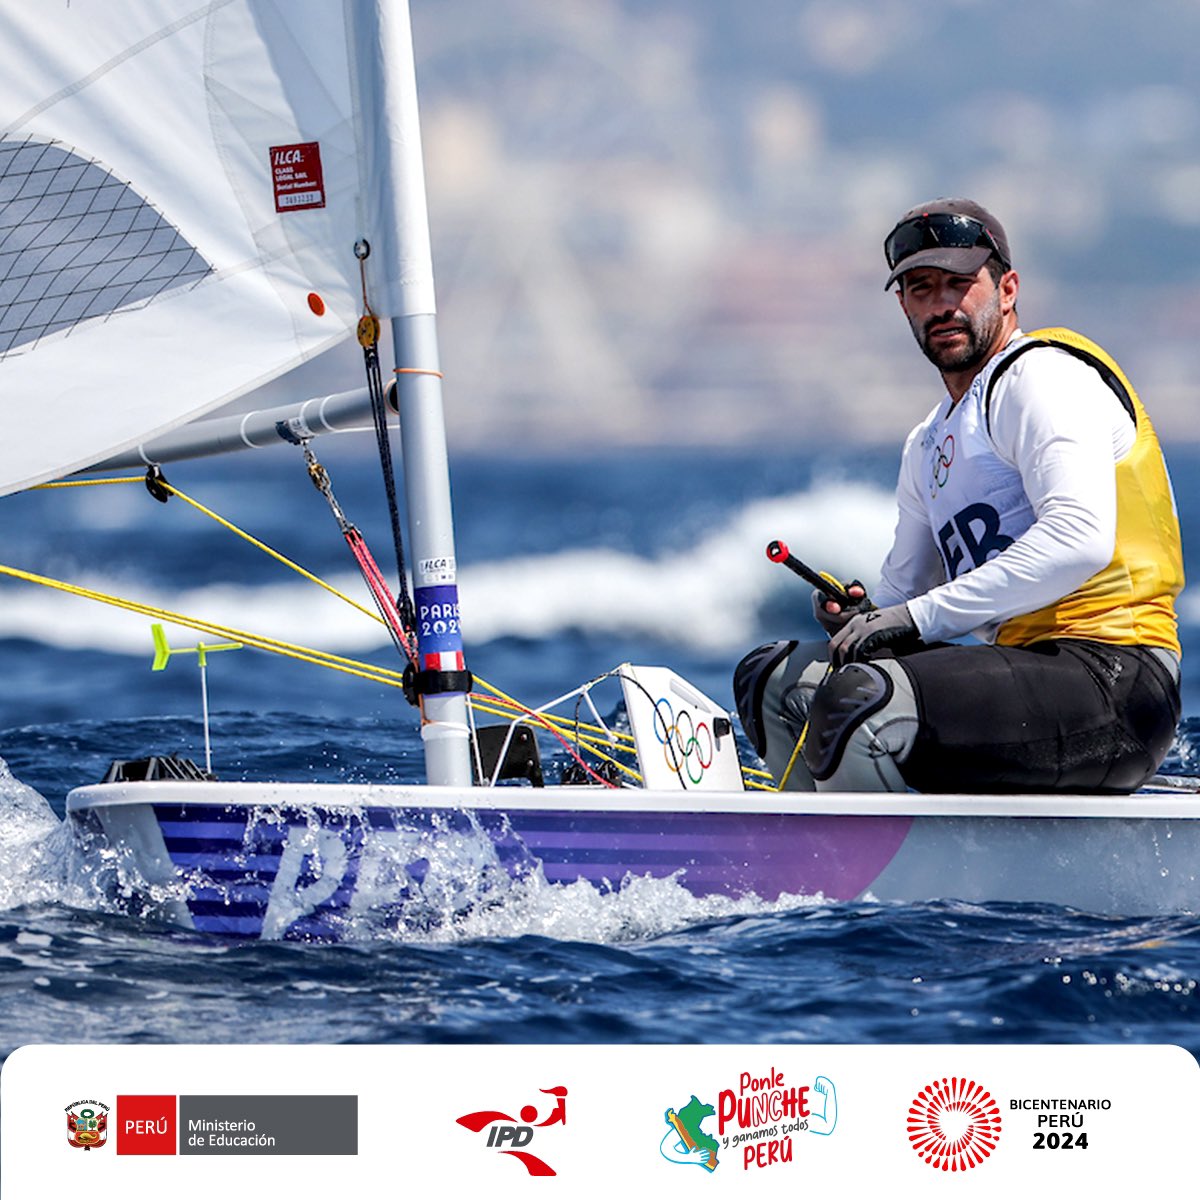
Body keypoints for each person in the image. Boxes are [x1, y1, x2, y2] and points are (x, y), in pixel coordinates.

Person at [734, 198, 1184, 793]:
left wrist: (912, 616)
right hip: (1021, 683)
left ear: (1007, 290)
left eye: (959, 284)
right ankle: (796, 852)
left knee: (859, 700)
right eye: (921, 289)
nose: (942, 304)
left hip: (1118, 679)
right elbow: (903, 597)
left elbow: (1079, 540)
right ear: (904, 307)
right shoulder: (928, 443)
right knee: (773, 677)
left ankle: (859, 880)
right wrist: (863, 616)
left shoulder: (1043, 379)